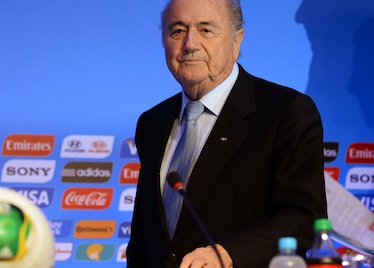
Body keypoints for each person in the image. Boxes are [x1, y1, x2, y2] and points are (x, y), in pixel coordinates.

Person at [126, 0, 327, 267]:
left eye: (206, 30)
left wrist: (228, 253)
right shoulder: (152, 123)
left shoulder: (285, 112)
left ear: (237, 40)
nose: (190, 44)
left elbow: (304, 217)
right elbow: (144, 237)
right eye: (177, 30)